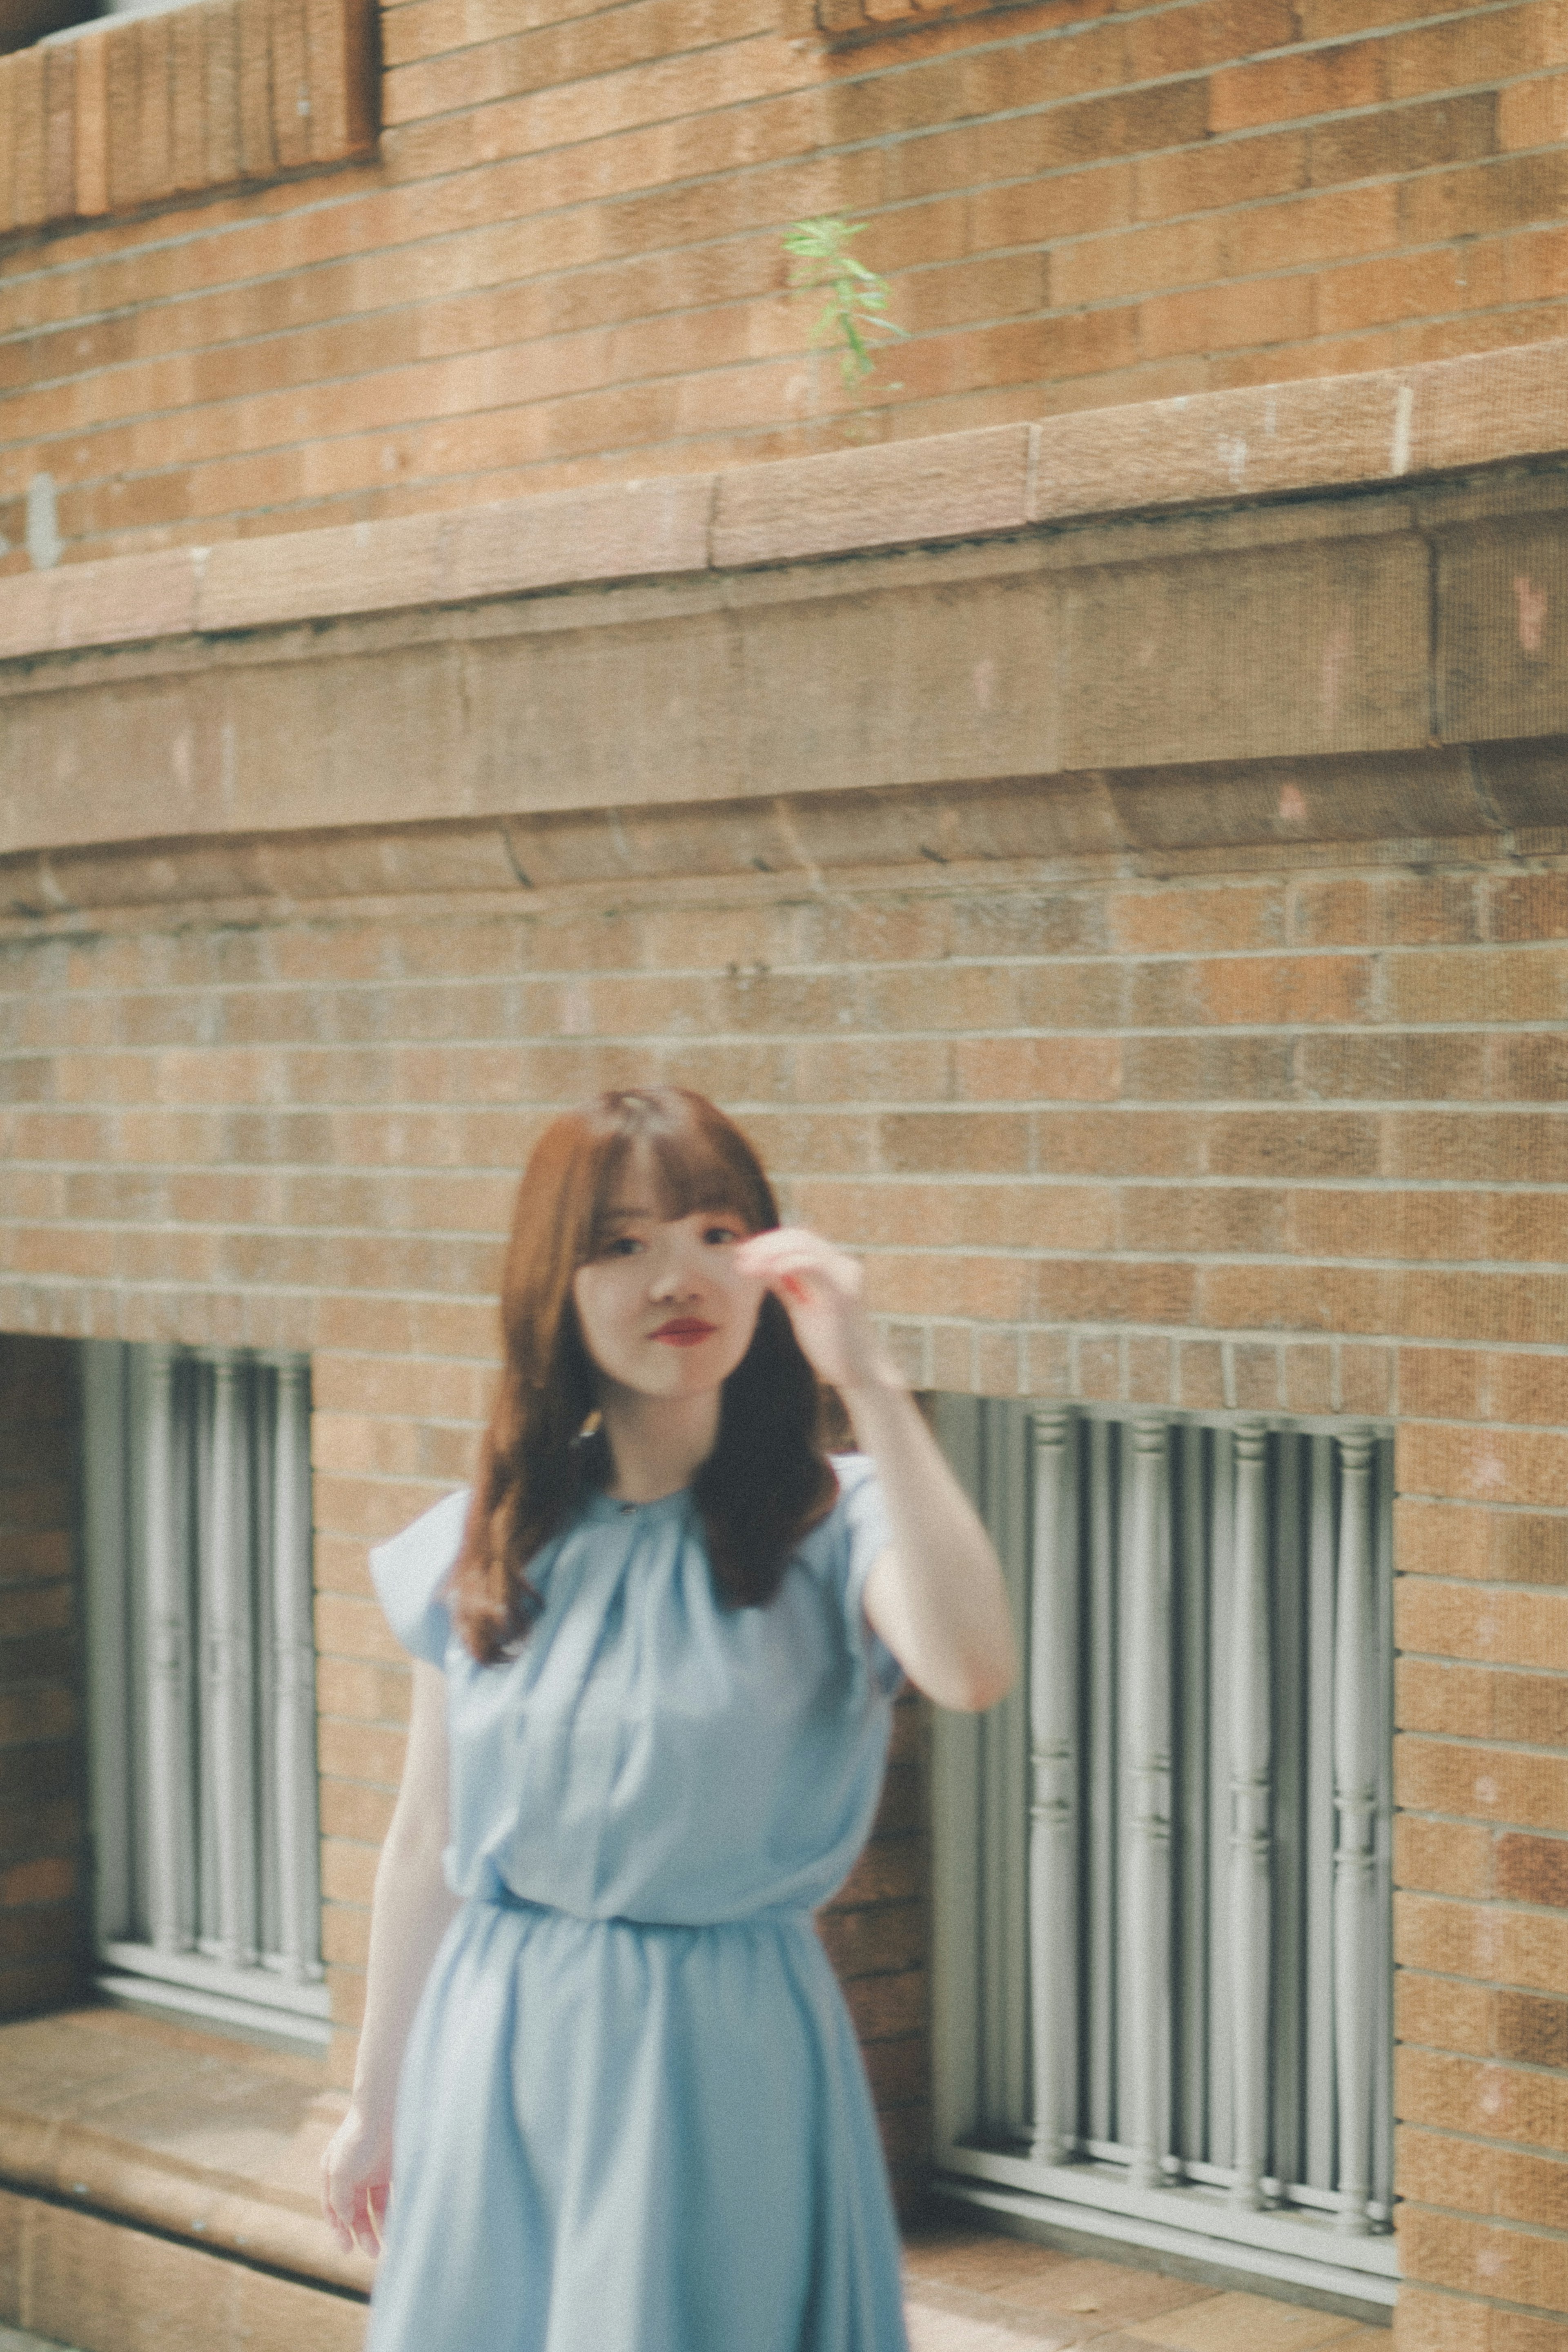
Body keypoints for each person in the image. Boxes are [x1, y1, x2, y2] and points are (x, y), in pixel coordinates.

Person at [320, 1085, 1016, 2352]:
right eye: (622, 1245)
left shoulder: (839, 1519)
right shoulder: (494, 1534)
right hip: (500, 2046)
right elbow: (427, 1842)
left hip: (720, 2061)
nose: (675, 1279)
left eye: (713, 1232)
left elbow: (970, 1666)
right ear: (557, 1285)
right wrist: (376, 2103)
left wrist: (870, 1384)